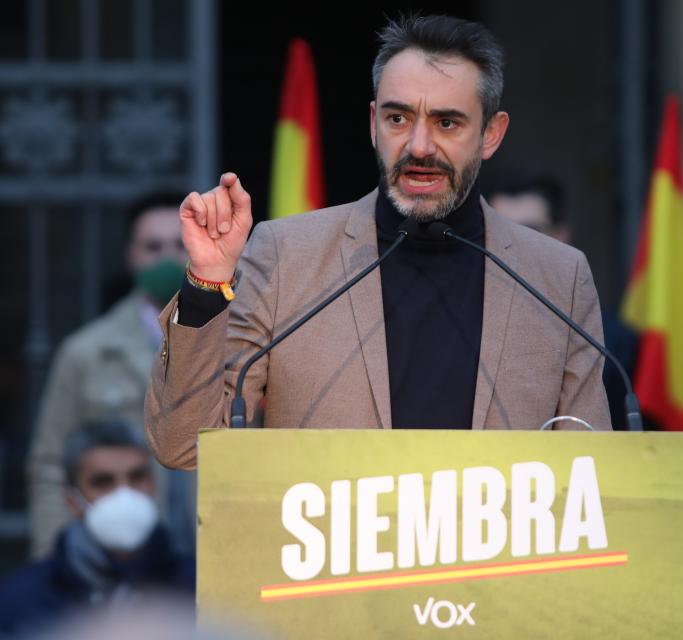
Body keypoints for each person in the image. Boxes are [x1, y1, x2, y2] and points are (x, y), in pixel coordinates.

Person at [145, 14, 611, 471]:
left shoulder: (557, 277)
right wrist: (207, 284)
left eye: (447, 123)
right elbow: (185, 446)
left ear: (491, 133)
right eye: (399, 118)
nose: (420, 146)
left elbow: (591, 476)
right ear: (373, 123)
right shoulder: (287, 255)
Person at [28, 193, 196, 558]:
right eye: (153, 246)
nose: (168, 257)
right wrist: (56, 560)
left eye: (180, 244)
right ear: (132, 256)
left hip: (216, 553)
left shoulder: (238, 340)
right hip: (120, 557)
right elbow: (50, 463)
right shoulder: (87, 351)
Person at [0, 421, 194, 638]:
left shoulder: (194, 589)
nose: (124, 494)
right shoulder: (21, 601)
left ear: (153, 484)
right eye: (103, 482)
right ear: (72, 500)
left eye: (137, 477)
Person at [486, 173, 639, 428]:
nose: (511, 246)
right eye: (500, 233)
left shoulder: (611, 340)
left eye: (530, 231)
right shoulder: (464, 319)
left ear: (561, 236)